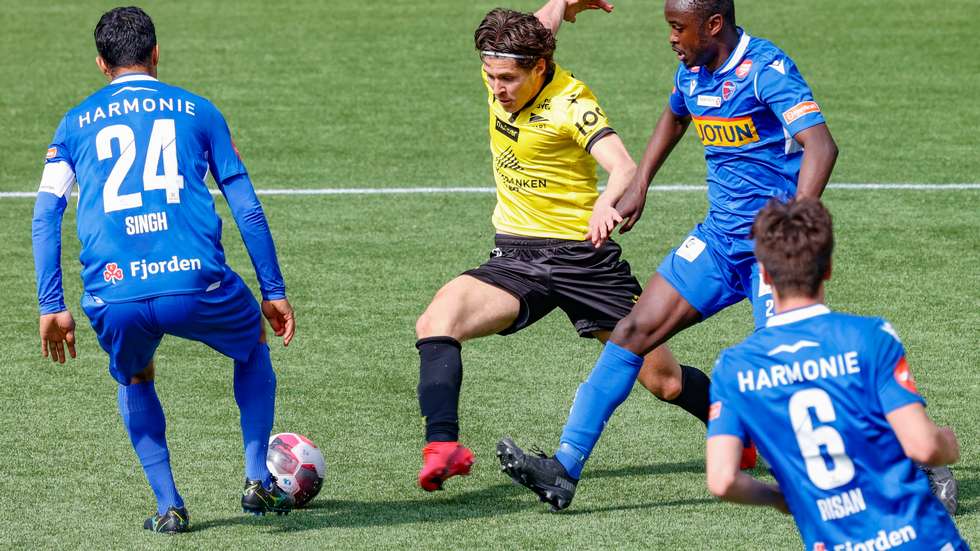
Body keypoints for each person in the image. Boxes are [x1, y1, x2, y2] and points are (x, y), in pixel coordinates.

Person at [498, 0, 840, 511]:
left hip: (772, 252)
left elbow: (822, 146)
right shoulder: (693, 71)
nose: (672, 38)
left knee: (790, 368)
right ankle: (563, 469)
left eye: (679, 28)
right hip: (718, 243)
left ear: (714, 25)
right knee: (633, 332)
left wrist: (795, 227)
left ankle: (910, 465)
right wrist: (641, 182)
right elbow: (675, 117)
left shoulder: (765, 70)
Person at [31, 7, 297, 533]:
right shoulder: (198, 110)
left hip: (114, 293)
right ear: (156, 53)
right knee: (251, 344)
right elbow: (246, 206)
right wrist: (272, 289)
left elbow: (45, 215)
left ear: (102, 63)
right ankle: (256, 480)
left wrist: (51, 304)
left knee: (135, 374)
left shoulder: (73, 123)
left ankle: (170, 507)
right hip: (195, 281)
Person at [414, 0, 692, 492]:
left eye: (507, 79)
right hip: (517, 256)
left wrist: (605, 204)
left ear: (539, 68)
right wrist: (563, 1)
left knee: (664, 382)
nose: (497, 88)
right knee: (437, 320)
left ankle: (740, 434)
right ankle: (443, 446)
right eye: (490, 76)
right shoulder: (506, 63)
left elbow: (624, 167)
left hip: (584, 259)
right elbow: (541, 24)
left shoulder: (572, 103)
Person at [705, 198, 967, 550]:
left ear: (764, 275)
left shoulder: (734, 367)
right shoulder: (870, 337)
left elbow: (722, 480)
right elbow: (923, 446)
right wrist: (947, 444)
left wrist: (780, 498)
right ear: (827, 268)